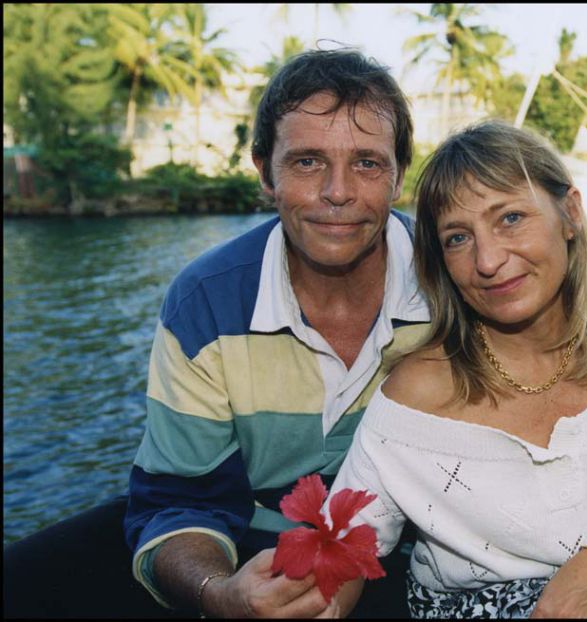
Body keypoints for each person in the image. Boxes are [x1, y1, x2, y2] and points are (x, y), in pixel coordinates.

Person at [3, 47, 428, 618]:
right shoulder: (205, 300)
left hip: (415, 551)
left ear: (400, 175)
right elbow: (180, 496)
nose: (338, 191)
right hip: (252, 546)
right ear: (263, 174)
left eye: (368, 164)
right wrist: (220, 594)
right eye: (306, 162)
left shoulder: (457, 277)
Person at [322, 121, 587, 618]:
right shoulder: (417, 393)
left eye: (510, 219)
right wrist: (313, 601)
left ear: (570, 214)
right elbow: (347, 545)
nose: (487, 259)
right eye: (458, 238)